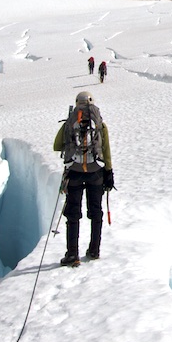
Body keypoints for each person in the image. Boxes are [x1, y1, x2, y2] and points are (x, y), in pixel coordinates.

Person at [52, 90, 115, 266]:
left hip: (75, 173)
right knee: (95, 211)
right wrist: (108, 171)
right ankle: (94, 249)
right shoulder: (100, 124)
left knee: (73, 213)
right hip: (96, 172)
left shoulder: (70, 122)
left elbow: (56, 146)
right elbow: (106, 150)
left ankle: (72, 254)